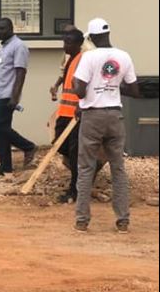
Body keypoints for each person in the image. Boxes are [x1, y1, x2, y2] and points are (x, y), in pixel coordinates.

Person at [72, 18, 139, 234]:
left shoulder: (88, 57)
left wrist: (89, 88)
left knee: (85, 168)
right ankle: (123, 221)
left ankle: (82, 220)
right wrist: (112, 86)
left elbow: (80, 90)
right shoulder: (124, 56)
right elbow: (134, 90)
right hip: (115, 116)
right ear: (109, 33)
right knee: (118, 168)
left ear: (90, 38)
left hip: (93, 117)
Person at [0, 18, 37, 180]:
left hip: (8, 95)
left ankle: (28, 146)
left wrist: (15, 97)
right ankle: (5, 167)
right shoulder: (3, 48)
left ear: (11, 28)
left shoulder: (18, 46)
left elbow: (21, 73)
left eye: (2, 29)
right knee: (0, 131)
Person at [50, 28, 86, 203]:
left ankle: (76, 189)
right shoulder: (69, 59)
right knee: (60, 145)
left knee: (74, 152)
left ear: (79, 43)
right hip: (65, 112)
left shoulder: (83, 59)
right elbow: (64, 77)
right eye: (64, 41)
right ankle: (79, 180)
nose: (65, 45)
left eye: (69, 42)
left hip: (75, 114)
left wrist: (81, 104)